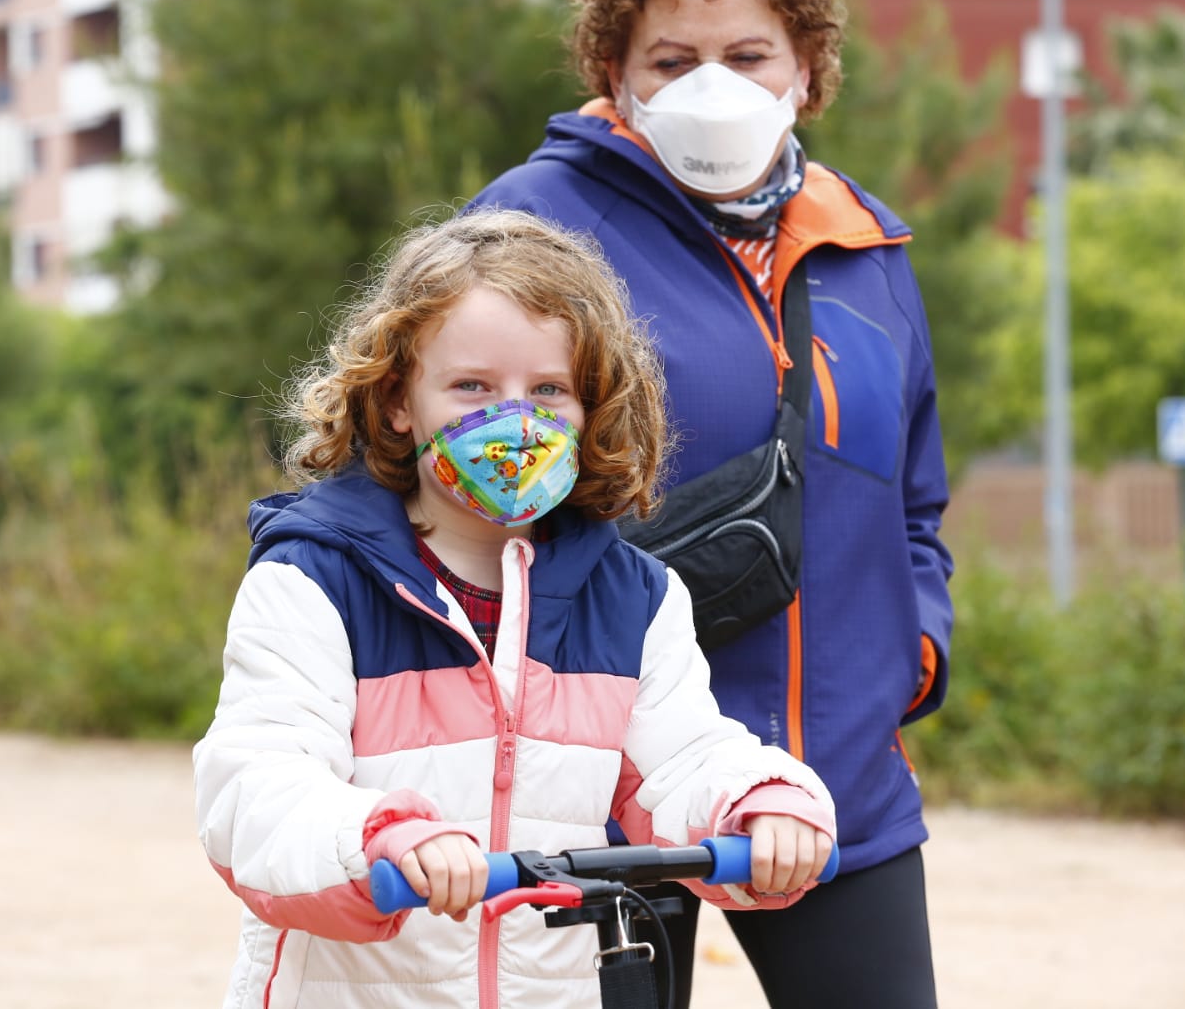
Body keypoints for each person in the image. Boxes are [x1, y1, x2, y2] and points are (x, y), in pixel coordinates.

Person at [192, 209, 837, 1009]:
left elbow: (678, 760)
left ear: (592, 405)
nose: (513, 420)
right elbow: (258, 781)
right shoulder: (316, 581)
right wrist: (381, 838)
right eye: (472, 386)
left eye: (547, 391)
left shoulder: (633, 600)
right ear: (398, 401)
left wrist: (756, 803)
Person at [469, 0, 955, 1007]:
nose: (713, 86)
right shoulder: (530, 231)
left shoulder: (866, 245)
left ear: (808, 66)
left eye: (747, 54)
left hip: (836, 787)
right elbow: (463, 495)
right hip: (600, 788)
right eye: (673, 58)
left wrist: (910, 651)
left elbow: (912, 503)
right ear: (614, 65)